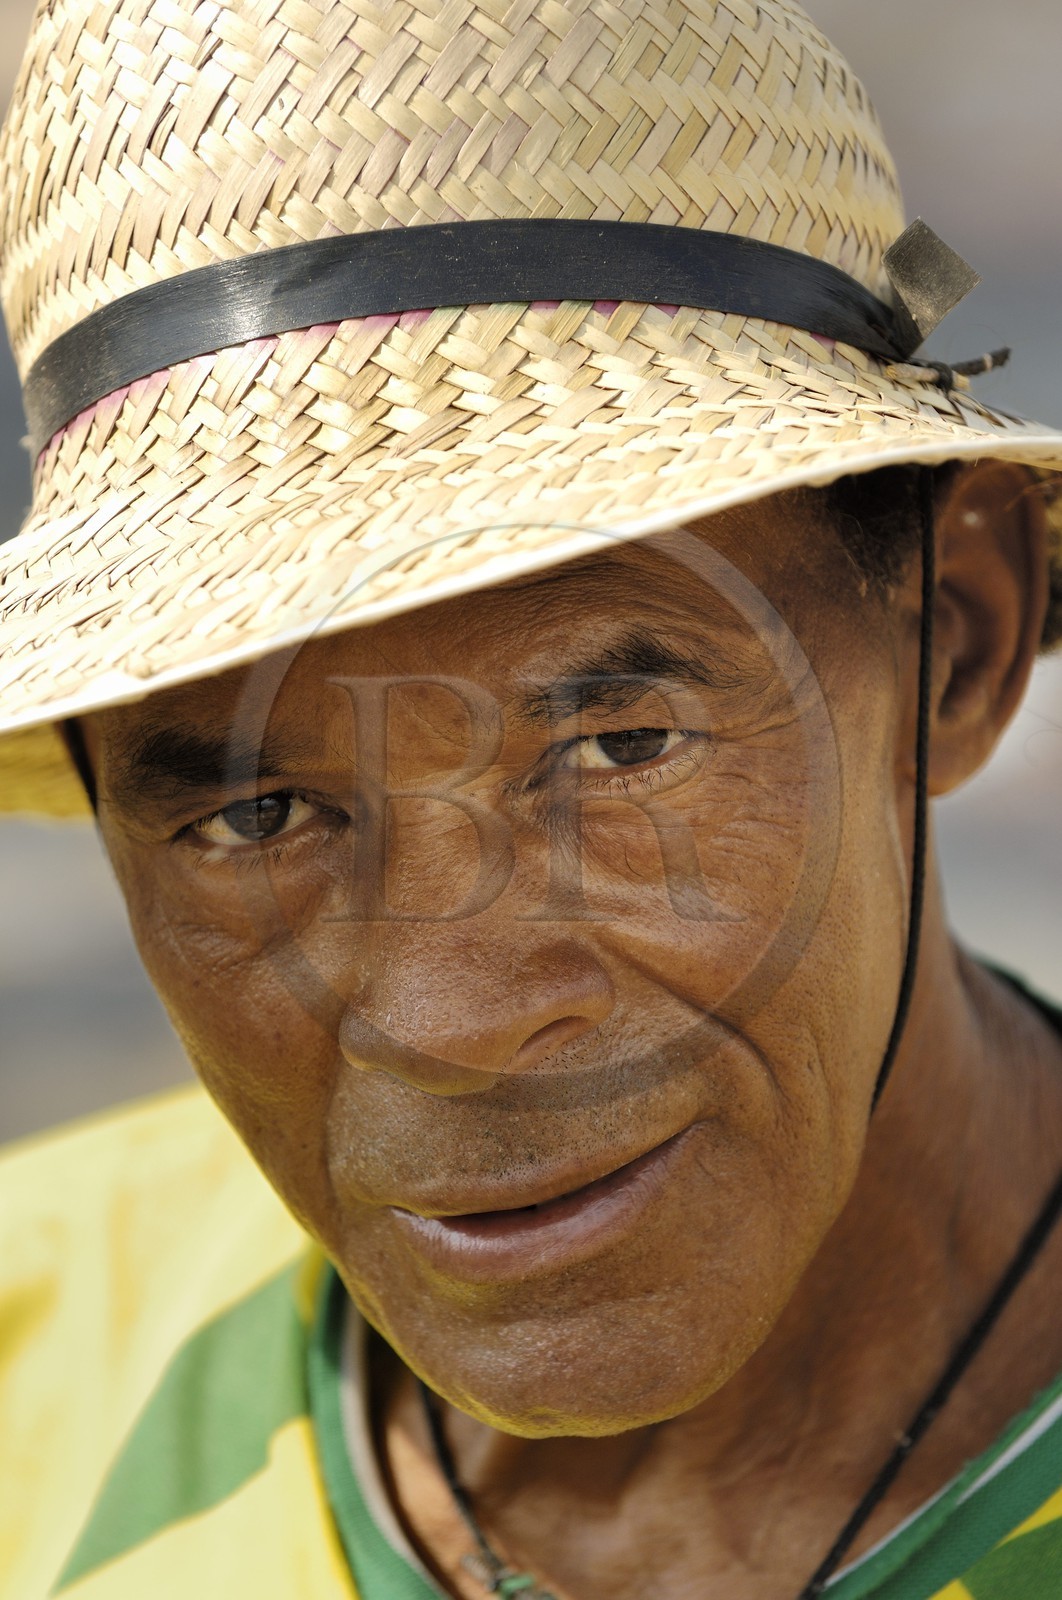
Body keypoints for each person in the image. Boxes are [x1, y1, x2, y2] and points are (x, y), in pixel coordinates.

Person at [1, 0, 1061, 1597]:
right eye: (255, 816)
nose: (444, 1015)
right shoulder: (33, 1343)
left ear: (956, 642)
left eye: (617, 750)